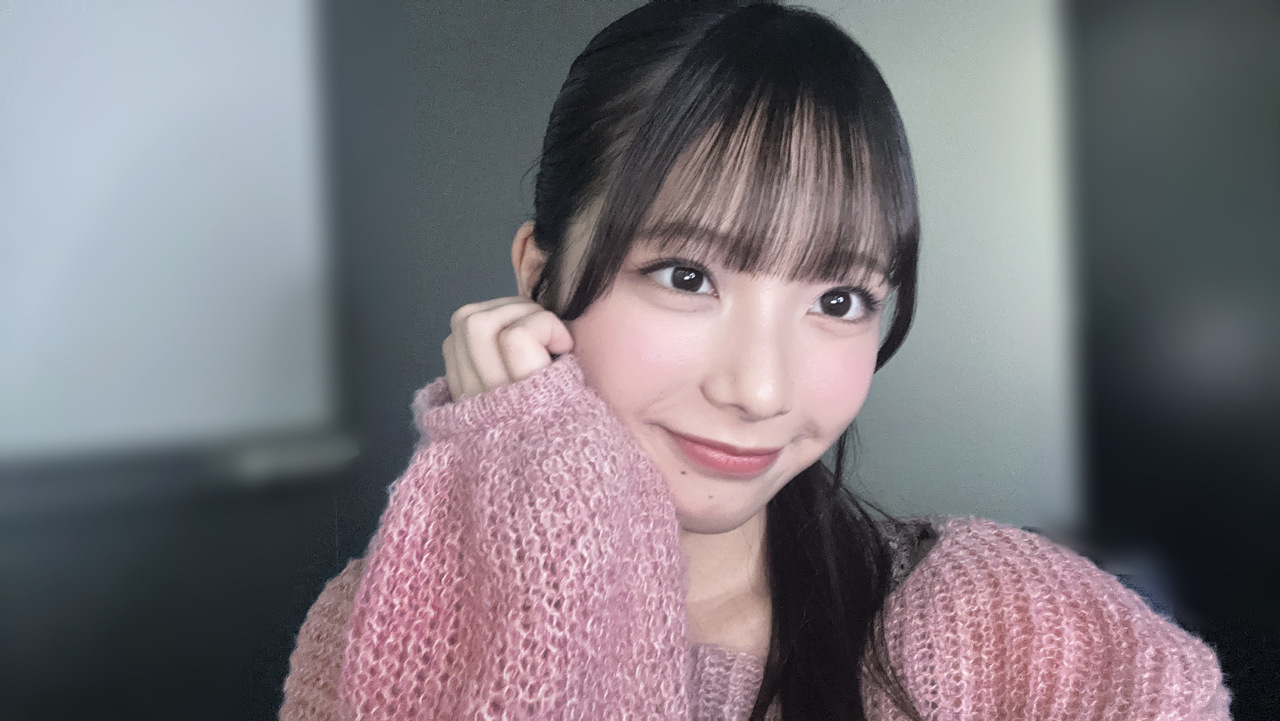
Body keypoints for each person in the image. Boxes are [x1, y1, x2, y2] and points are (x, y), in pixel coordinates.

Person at [280, 2, 1231, 719]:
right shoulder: (384, 627)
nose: (761, 389)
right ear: (538, 274)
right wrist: (547, 502)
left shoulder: (1006, 626)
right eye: (687, 275)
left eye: (839, 300)